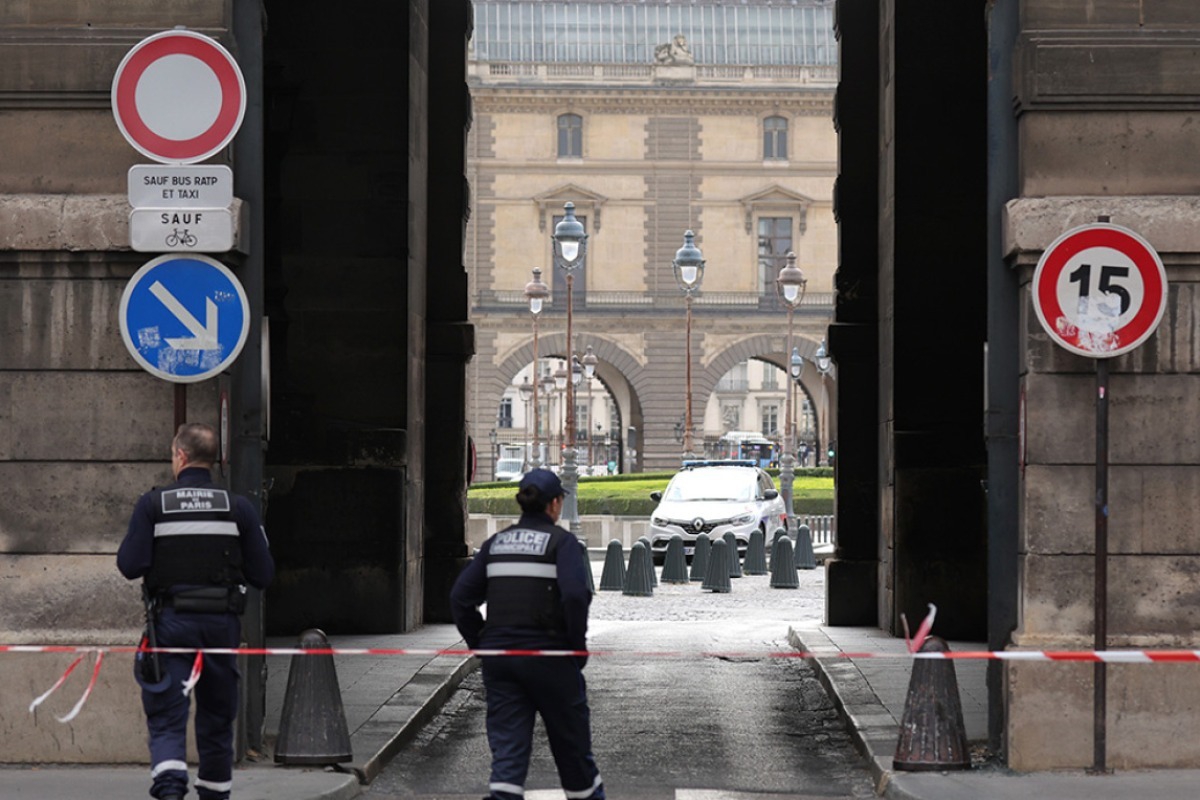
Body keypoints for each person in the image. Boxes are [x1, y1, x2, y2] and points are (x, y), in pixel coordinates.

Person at [117, 423, 275, 800]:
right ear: (215, 459)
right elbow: (263, 573)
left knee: (167, 709)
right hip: (222, 625)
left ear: (180, 456)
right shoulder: (238, 508)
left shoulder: (153, 505)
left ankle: (171, 787)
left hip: (171, 625)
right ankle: (215, 792)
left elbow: (130, 565)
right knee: (218, 713)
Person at [450, 469, 604, 800]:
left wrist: (481, 643)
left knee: (508, 750)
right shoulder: (562, 544)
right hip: (551, 657)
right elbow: (576, 595)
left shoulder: (496, 544)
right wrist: (576, 649)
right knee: (572, 747)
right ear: (555, 504)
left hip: (501, 661)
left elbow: (460, 598)